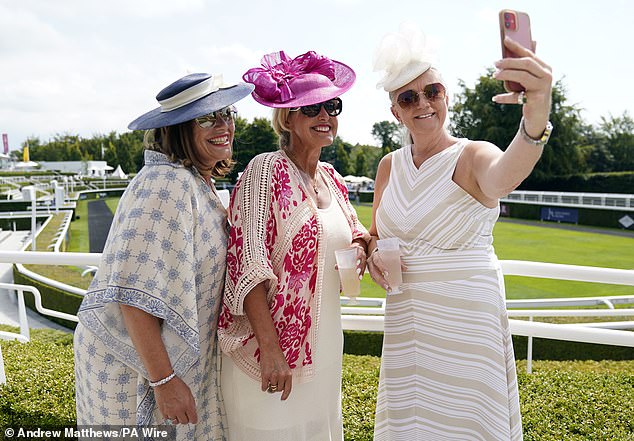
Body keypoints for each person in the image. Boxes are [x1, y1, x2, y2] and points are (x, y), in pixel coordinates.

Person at [367, 25, 553, 440]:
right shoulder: (387, 167)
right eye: (408, 97)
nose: (423, 103)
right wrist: (373, 253)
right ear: (395, 111)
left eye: (432, 91)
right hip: (406, 323)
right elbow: (377, 233)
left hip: (465, 325)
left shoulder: (473, 154)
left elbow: (504, 176)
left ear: (446, 96)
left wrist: (536, 111)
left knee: (464, 424)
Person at [74, 72, 254, 439]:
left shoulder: (195, 181)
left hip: (157, 363)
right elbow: (130, 295)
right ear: (178, 129)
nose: (224, 126)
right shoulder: (165, 183)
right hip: (133, 371)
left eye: (228, 113)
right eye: (207, 117)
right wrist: (165, 381)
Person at [217, 50, 370, 440]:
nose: (325, 116)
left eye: (332, 105)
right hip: (271, 354)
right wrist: (271, 349)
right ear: (288, 117)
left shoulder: (333, 178)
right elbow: (247, 265)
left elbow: (354, 234)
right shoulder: (264, 170)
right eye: (311, 108)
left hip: (324, 346)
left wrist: (368, 245)